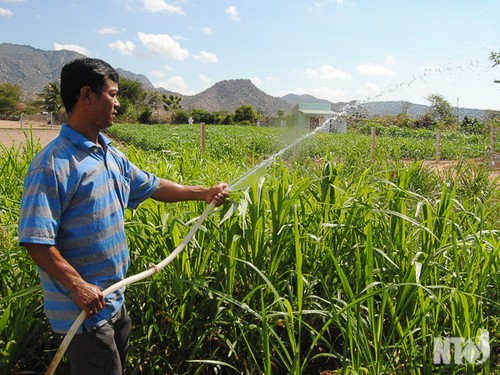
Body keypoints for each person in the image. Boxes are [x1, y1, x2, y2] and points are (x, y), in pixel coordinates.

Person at [18, 57, 229, 374]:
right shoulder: (53, 164)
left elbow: (154, 186)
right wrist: (78, 286)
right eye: (112, 95)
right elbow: (36, 240)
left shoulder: (109, 154)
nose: (118, 103)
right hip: (83, 314)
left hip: (114, 300)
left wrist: (203, 193)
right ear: (86, 95)